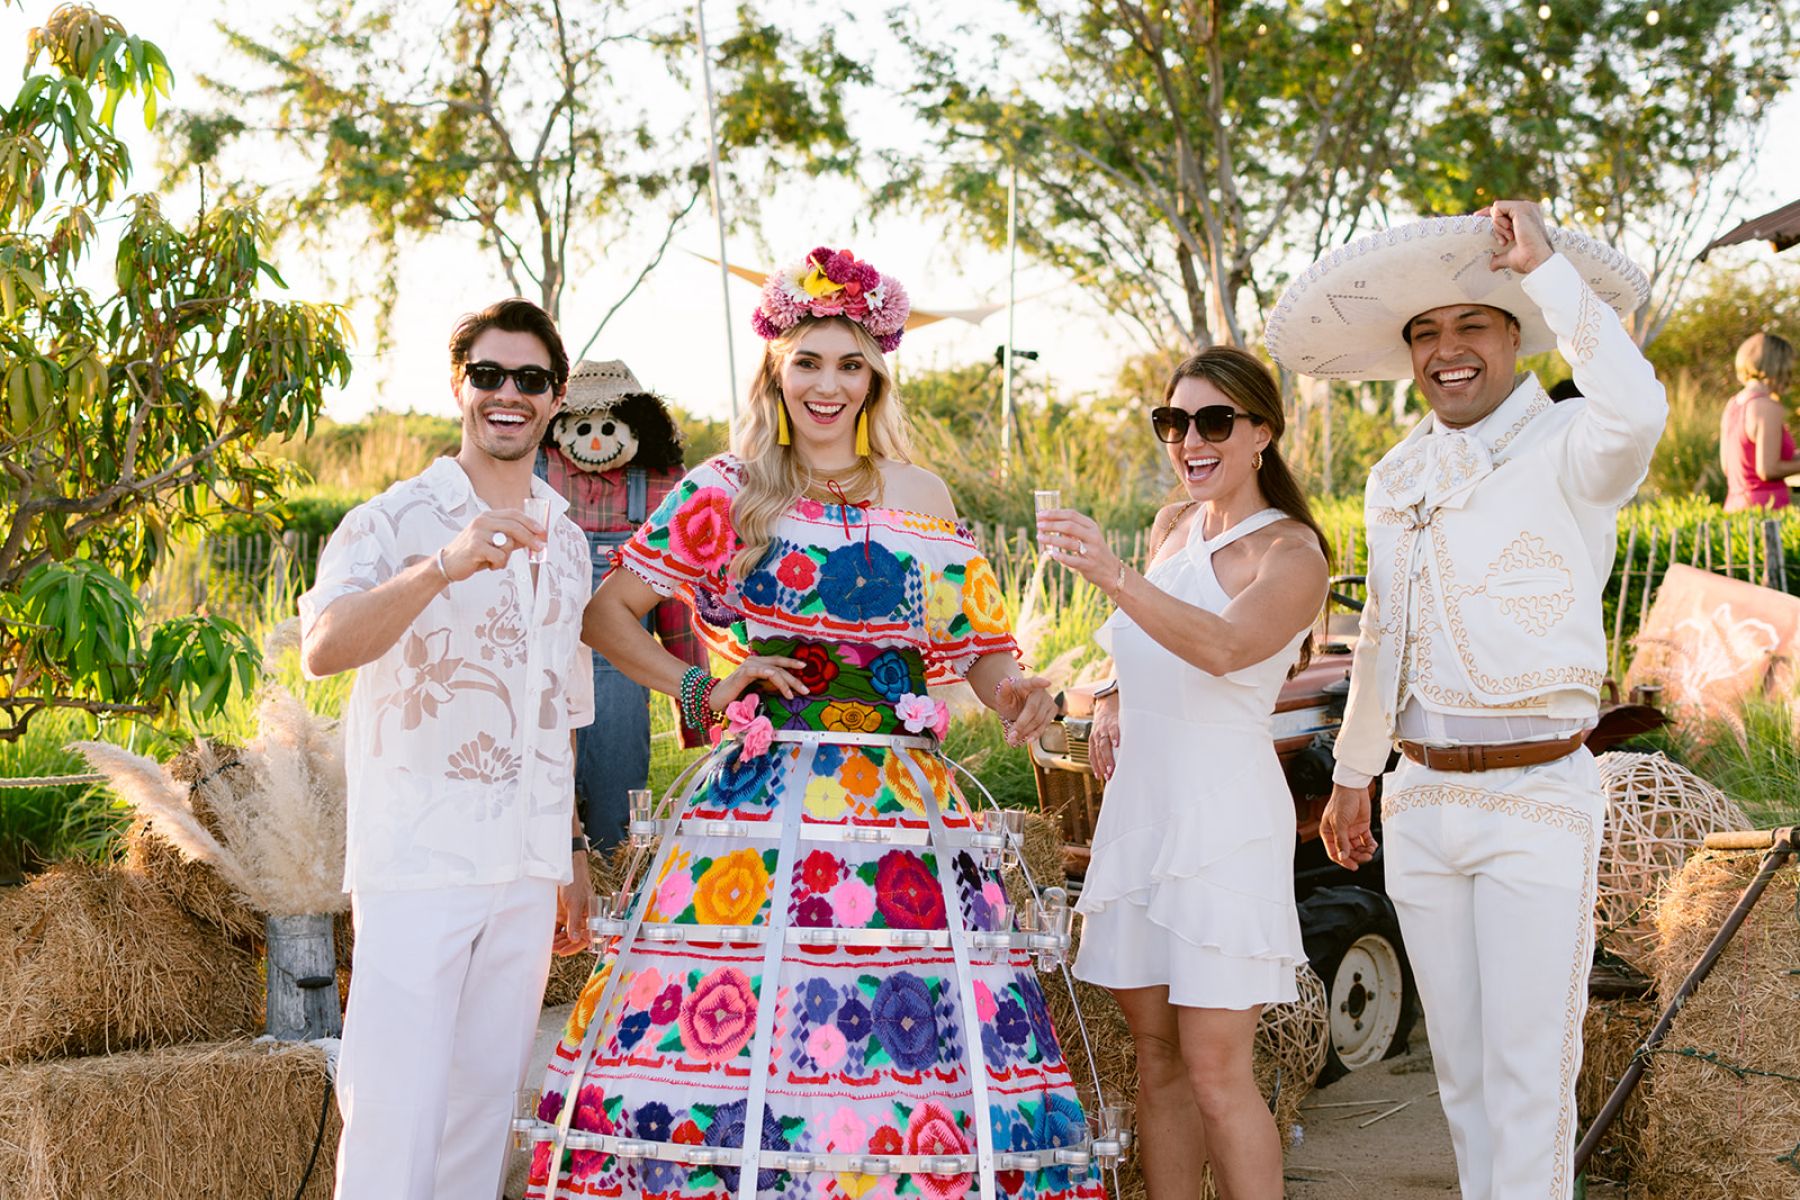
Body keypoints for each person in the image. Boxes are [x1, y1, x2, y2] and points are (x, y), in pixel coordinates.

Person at [524, 246, 1105, 1200]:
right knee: (754, 1012)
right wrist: (702, 689)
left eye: (849, 364)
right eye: (808, 362)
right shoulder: (728, 487)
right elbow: (605, 614)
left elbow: (980, 648)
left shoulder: (925, 498)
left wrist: (1018, 692)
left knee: (901, 1020)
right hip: (764, 804)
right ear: (775, 370)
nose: (827, 386)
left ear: (876, 374)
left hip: (904, 810)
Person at [1266, 200, 1666, 1200]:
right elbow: (1387, 635)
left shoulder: (1576, 446)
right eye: (1425, 334)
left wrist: (1547, 269)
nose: (1446, 351)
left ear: (1518, 333)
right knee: (1464, 1077)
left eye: (1472, 326)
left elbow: (1642, 410)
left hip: (1539, 799)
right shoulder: (1395, 474)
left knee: (1532, 1077)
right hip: (1424, 802)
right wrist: (1357, 775)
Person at [299, 298, 596, 1200]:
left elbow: (561, 701)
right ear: (459, 386)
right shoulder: (394, 520)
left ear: (555, 399)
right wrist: (443, 566)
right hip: (418, 860)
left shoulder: (571, 536)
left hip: (526, 864)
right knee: (393, 1114)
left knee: (483, 1119)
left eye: (531, 380)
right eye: (490, 376)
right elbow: (323, 648)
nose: (509, 394)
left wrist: (573, 850)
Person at [1036, 347, 1328, 1200]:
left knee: (1214, 1071)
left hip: (1222, 817)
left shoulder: (1290, 553)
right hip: (1143, 808)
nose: (1189, 440)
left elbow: (1228, 646)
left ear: (1261, 433)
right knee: (1155, 1065)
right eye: (1173, 423)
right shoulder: (1173, 527)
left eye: (1212, 422)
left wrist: (1112, 575)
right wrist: (1115, 692)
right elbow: (1145, 645)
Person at [536, 359, 711, 847]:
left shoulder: (664, 483)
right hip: (536, 661)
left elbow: (679, 603)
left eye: (609, 427)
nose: (594, 441)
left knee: (616, 803)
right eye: (581, 425)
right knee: (540, 795)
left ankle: (610, 879)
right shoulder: (530, 468)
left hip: (622, 665)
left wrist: (695, 713)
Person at [1720, 330, 1798, 511]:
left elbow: (1728, 467)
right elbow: (1768, 469)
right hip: (1765, 508)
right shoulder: (1767, 406)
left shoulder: (1733, 404)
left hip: (1734, 505)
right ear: (1778, 365)